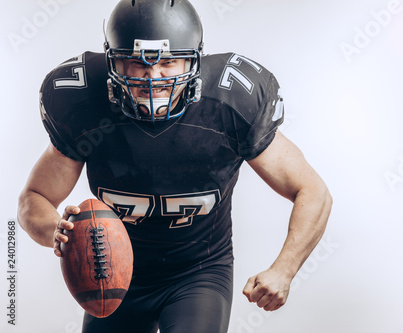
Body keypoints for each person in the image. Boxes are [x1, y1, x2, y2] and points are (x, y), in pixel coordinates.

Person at [17, 0, 332, 332]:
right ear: (112, 61)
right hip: (111, 269)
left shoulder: (229, 104)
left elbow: (312, 191)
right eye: (134, 62)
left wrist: (284, 269)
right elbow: (33, 197)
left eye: (168, 61)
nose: (152, 76)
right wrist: (56, 230)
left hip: (199, 272)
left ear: (194, 59)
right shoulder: (84, 104)